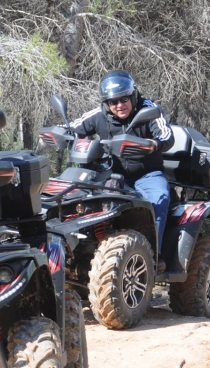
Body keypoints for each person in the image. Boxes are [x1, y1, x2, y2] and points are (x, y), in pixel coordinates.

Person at [68, 70, 173, 259]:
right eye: (113, 101)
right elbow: (72, 128)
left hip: (147, 175)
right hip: (110, 175)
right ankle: (78, 252)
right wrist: (61, 134)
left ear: (133, 95)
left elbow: (166, 135)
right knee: (78, 197)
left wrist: (153, 144)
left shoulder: (149, 109)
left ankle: (152, 257)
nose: (119, 105)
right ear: (106, 103)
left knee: (159, 198)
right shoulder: (99, 114)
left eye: (124, 99)